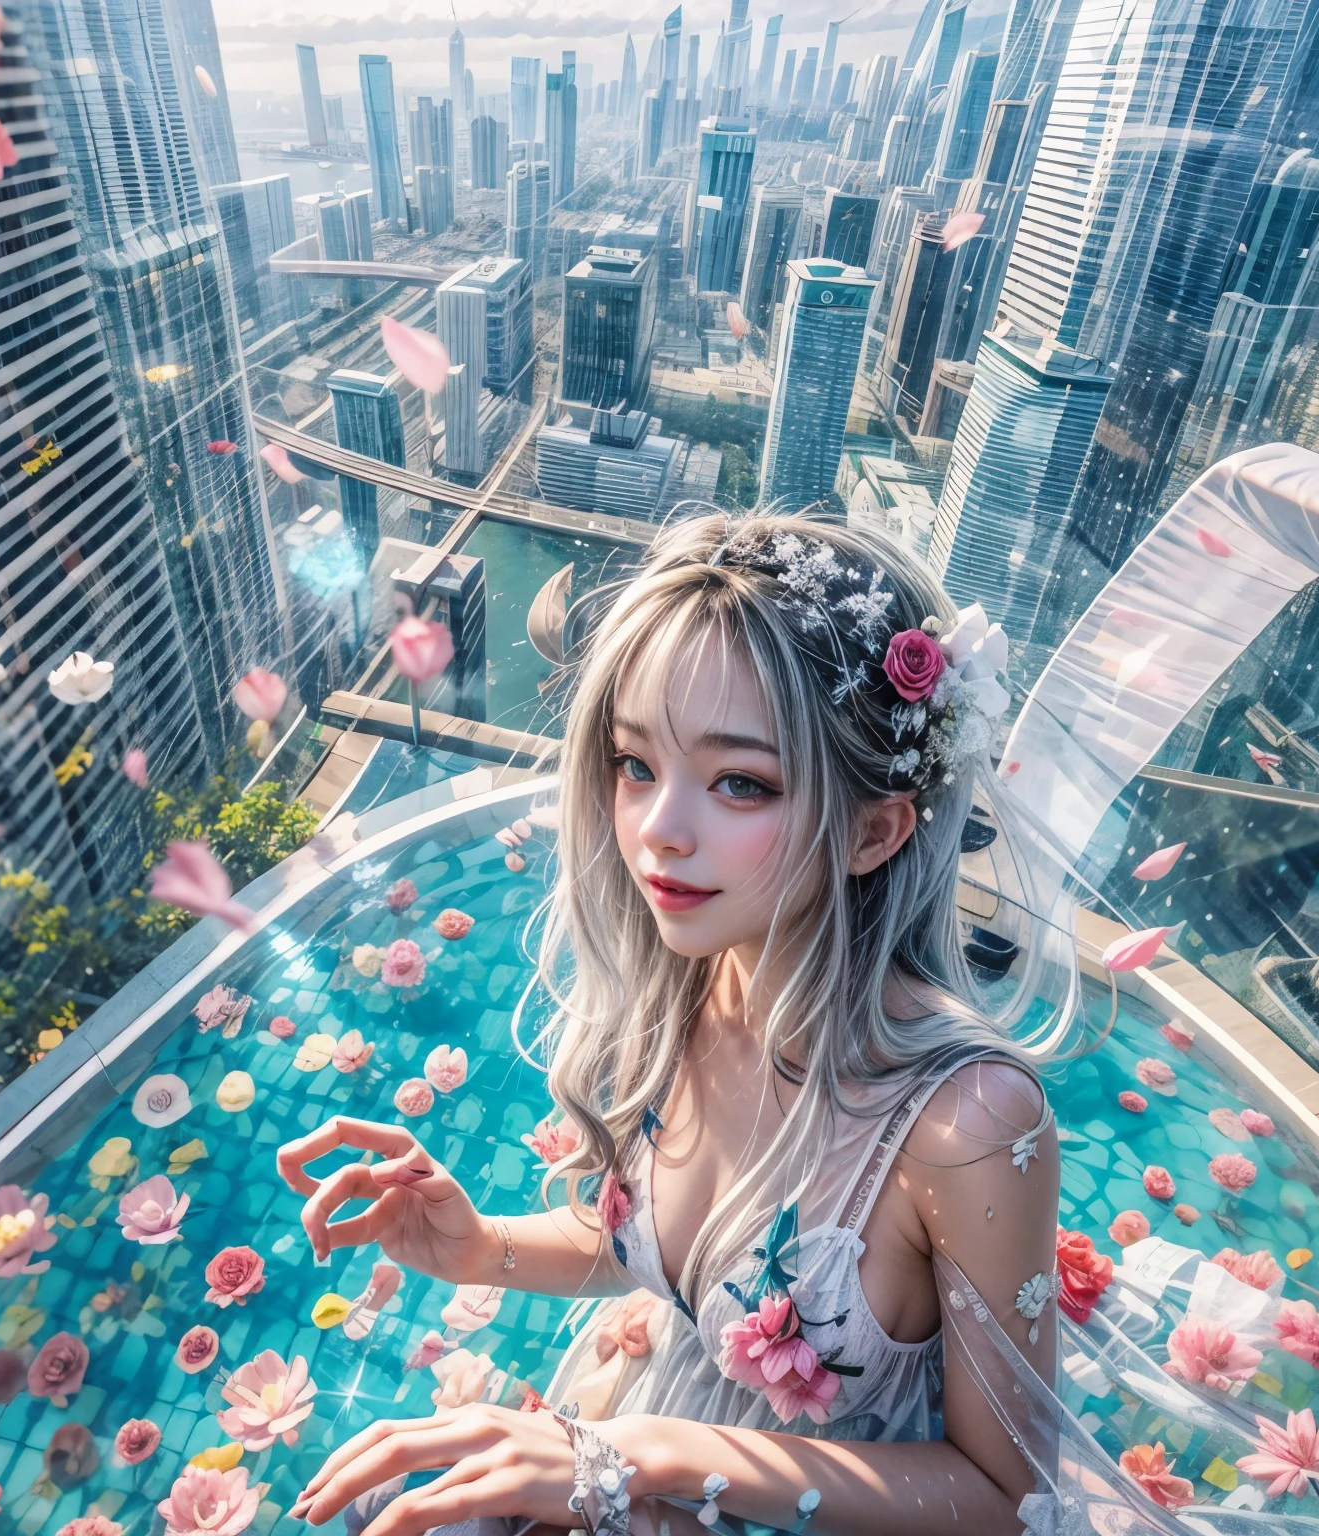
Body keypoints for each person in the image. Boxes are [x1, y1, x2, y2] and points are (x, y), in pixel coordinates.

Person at [277, 513, 1059, 1536]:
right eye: (636, 764)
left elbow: (1012, 1500)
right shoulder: (697, 979)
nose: (657, 829)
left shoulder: (966, 1126)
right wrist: (481, 1247)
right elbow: (681, 1262)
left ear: (875, 829)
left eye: (740, 782)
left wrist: (648, 1454)